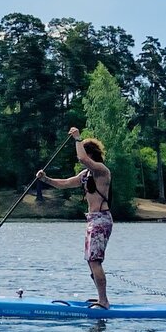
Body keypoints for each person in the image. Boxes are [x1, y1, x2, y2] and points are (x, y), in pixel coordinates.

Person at [37, 127, 113, 309]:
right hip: (92, 220)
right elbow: (63, 184)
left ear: (89, 153)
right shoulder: (85, 175)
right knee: (90, 260)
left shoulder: (102, 170)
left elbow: (82, 158)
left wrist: (77, 139)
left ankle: (104, 302)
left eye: (82, 151)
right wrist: (45, 179)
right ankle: (100, 298)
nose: (79, 159)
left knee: (95, 260)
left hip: (101, 219)